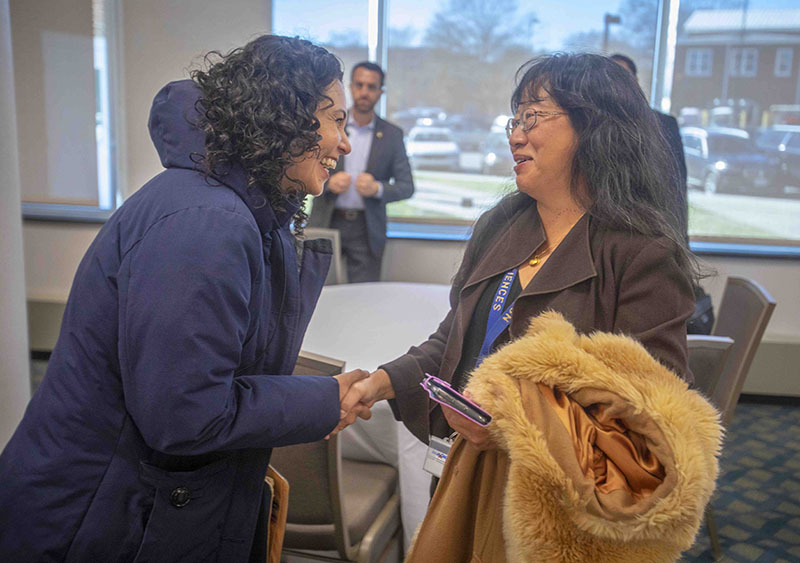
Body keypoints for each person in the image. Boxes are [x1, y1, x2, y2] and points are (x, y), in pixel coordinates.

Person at [0, 35, 373, 563]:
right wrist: (324, 399)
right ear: (284, 119)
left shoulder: (230, 208)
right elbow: (185, 415)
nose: (344, 142)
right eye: (335, 119)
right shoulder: (207, 224)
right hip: (97, 519)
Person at [338, 51, 697, 451]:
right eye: (516, 120)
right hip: (465, 471)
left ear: (594, 127)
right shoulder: (501, 224)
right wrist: (382, 382)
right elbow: (453, 342)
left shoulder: (642, 255)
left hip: (548, 502)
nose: (515, 136)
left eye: (533, 118)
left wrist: (514, 431)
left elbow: (650, 421)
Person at [611, 53, 715, 334]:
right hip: (612, 246)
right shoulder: (592, 127)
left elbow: (676, 190)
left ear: (636, 84)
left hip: (656, 242)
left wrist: (679, 250)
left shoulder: (662, 124)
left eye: (625, 79)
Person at [308, 61, 414, 282]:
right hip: (327, 222)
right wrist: (328, 184)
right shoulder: (328, 125)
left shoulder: (392, 135)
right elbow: (304, 169)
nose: (364, 92)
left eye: (371, 87)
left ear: (380, 92)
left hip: (366, 230)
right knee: (319, 293)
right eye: (359, 85)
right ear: (351, 87)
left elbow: (407, 187)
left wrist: (377, 189)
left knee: (364, 298)